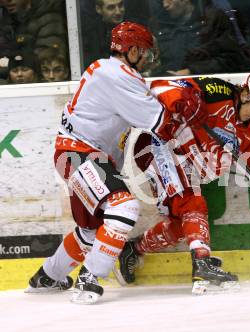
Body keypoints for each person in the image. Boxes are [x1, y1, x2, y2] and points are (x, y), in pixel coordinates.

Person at [25, 21, 206, 304]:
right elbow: (159, 122)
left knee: (90, 233)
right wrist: (183, 106)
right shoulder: (119, 75)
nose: (146, 58)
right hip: (80, 154)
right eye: (143, 51)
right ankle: (90, 277)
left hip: (81, 156)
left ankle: (47, 276)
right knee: (124, 206)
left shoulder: (107, 70)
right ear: (131, 50)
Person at [116, 70, 250, 294]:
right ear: (245, 94)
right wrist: (184, 101)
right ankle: (202, 263)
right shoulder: (216, 92)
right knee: (192, 204)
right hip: (160, 145)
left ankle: (133, 248)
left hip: (187, 162)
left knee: (183, 224)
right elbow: (159, 86)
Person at [149, 0, 250, 76]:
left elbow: (232, 59)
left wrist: (191, 71)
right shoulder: (158, 24)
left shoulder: (212, 20)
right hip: (165, 86)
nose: (165, 4)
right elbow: (152, 60)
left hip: (205, 85)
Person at [81, 0, 126, 67]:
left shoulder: (133, 28)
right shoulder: (90, 35)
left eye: (120, 5)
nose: (118, 12)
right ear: (98, 9)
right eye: (111, 7)